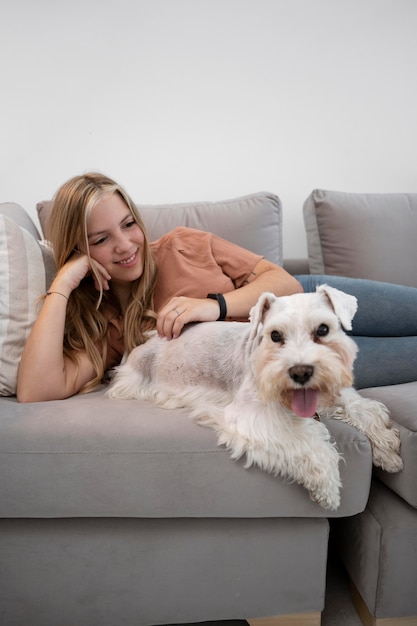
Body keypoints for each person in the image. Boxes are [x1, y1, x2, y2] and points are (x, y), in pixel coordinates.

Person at [17, 172, 417, 402]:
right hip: (281, 359)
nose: (125, 246)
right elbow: (36, 391)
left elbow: (285, 282)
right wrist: (65, 282)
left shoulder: (181, 245)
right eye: (100, 240)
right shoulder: (108, 327)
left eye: (128, 224)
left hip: (308, 301)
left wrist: (215, 306)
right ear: (78, 249)